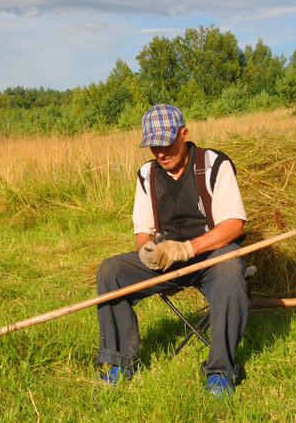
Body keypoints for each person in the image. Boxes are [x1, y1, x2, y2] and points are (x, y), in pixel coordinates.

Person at [95, 103, 250, 397]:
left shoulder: (215, 164)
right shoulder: (147, 174)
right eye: (153, 146)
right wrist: (149, 252)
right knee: (111, 271)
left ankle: (220, 372)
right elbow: (144, 232)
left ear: (184, 134)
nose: (160, 153)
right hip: (168, 263)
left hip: (212, 258)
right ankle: (120, 363)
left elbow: (234, 226)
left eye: (165, 144)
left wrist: (188, 248)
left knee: (232, 270)